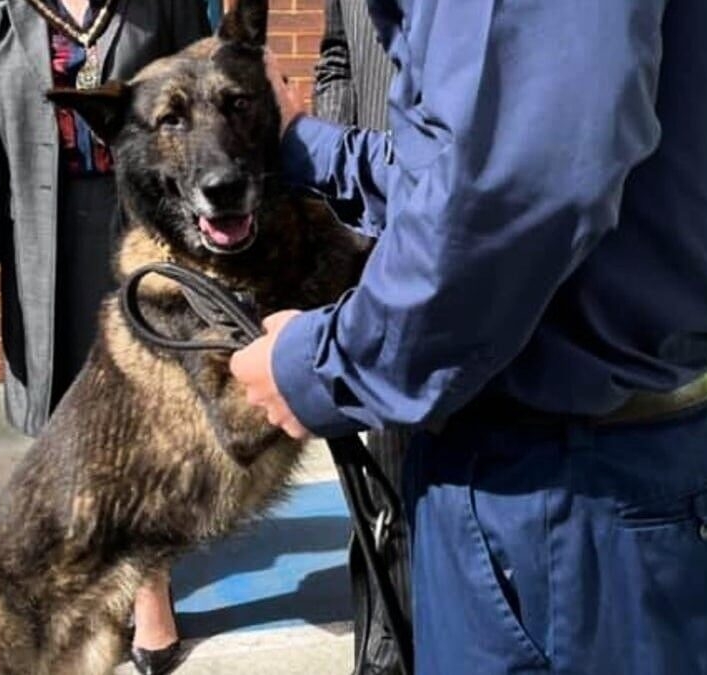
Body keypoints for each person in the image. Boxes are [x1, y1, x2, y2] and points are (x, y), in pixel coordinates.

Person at [232, 2, 707, 674]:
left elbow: (520, 186)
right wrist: (314, 150)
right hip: (669, 454)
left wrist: (325, 365)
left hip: (551, 490)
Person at [0, 0, 210, 673]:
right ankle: (92, 585)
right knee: (68, 426)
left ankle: (149, 591)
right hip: (42, 235)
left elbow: (204, 101)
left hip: (147, 228)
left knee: (155, 419)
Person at [311, 3, 407, 674]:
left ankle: (396, 639)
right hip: (367, 201)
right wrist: (329, 168)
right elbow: (337, 53)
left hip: (440, 198)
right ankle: (382, 637)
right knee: (382, 450)